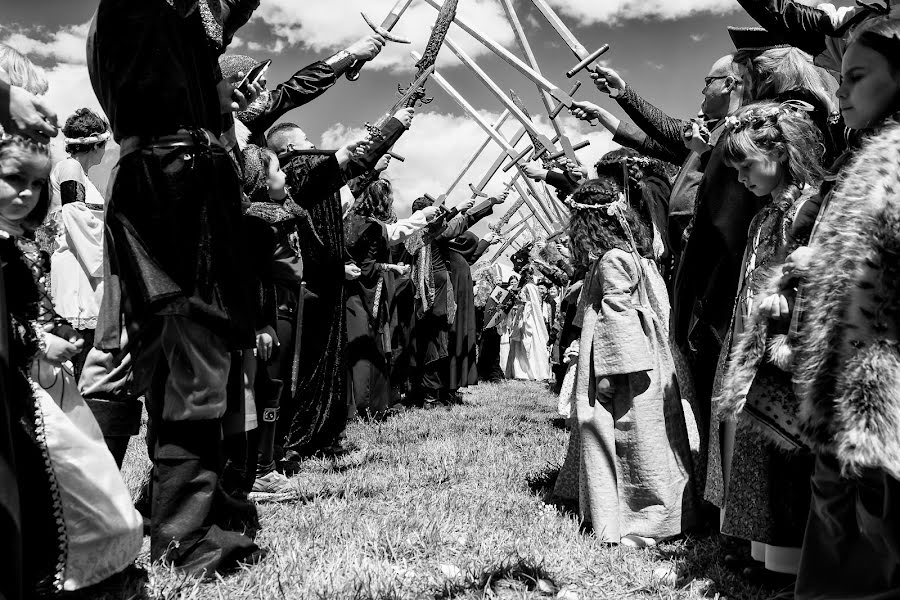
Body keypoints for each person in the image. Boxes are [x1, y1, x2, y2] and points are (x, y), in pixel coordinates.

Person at [88, 0, 266, 576]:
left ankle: (192, 518)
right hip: (177, 197)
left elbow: (220, 19)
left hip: (172, 190)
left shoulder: (161, 20)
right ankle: (185, 538)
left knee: (186, 370)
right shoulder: (141, 12)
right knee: (192, 371)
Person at [754, 18, 900, 599]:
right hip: (845, 391)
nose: (840, 91)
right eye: (840, 77)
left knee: (871, 547)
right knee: (843, 542)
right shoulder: (870, 159)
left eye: (857, 76)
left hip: (878, 395)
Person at [1, 132, 142, 596]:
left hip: (30, 375)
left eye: (35, 184)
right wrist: (38, 342)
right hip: (17, 381)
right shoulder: (71, 192)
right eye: (12, 180)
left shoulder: (14, 246)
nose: (27, 192)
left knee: (80, 468)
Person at [706, 100, 826, 588]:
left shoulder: (809, 208)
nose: (740, 180)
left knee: (782, 454)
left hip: (787, 341)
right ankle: (757, 547)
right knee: (755, 448)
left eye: (746, 167)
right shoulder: (764, 215)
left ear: (781, 151)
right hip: (755, 335)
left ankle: (786, 561)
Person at [551, 176, 697, 545]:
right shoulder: (630, 253)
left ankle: (643, 521)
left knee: (630, 435)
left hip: (625, 359)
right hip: (645, 353)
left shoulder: (611, 260)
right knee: (645, 433)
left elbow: (618, 314)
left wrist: (612, 373)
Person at [266, 115, 408, 459]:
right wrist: (392, 126)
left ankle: (318, 432)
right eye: (308, 142)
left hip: (326, 279)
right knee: (306, 367)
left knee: (326, 363)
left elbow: (350, 180)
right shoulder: (299, 170)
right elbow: (350, 162)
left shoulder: (306, 173)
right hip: (308, 286)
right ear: (289, 148)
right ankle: (297, 436)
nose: (315, 147)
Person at [220, 35, 385, 147]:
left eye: (264, 86)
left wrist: (350, 56)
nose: (263, 92)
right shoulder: (215, 125)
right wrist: (349, 55)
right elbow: (295, 89)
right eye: (258, 84)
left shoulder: (252, 134)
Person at [46, 109, 110, 379]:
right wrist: (109, 254)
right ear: (96, 144)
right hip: (78, 268)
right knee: (80, 353)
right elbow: (76, 216)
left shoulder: (77, 173)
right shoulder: (71, 168)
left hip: (84, 265)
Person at [503, 268, 551, 382]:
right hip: (521, 315)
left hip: (527, 317)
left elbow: (532, 302)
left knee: (528, 341)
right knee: (519, 343)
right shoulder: (526, 286)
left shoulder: (529, 286)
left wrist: (522, 305)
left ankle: (530, 370)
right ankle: (519, 370)